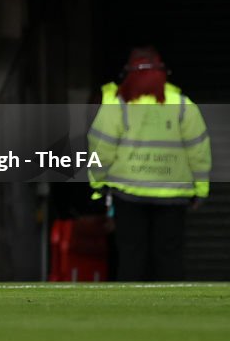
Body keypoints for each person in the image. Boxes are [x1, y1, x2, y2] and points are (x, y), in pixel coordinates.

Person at [88, 47, 211, 281]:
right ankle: (174, 313)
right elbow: (199, 150)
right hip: (173, 195)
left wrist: (98, 185)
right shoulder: (183, 105)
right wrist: (200, 190)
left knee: (131, 257)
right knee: (169, 258)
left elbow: (101, 148)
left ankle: (129, 313)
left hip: (128, 195)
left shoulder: (118, 105)